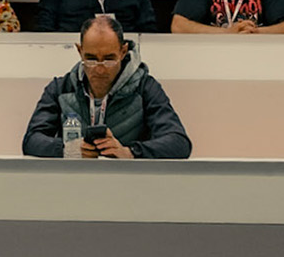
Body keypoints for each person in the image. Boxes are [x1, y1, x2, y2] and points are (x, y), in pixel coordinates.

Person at [22, 16, 191, 159]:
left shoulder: (145, 87)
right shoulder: (61, 88)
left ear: (123, 52)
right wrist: (68, 149)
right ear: (79, 51)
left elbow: (179, 143)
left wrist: (129, 152)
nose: (100, 68)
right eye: (91, 59)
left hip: (129, 183)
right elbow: (31, 141)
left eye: (109, 59)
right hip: (73, 183)